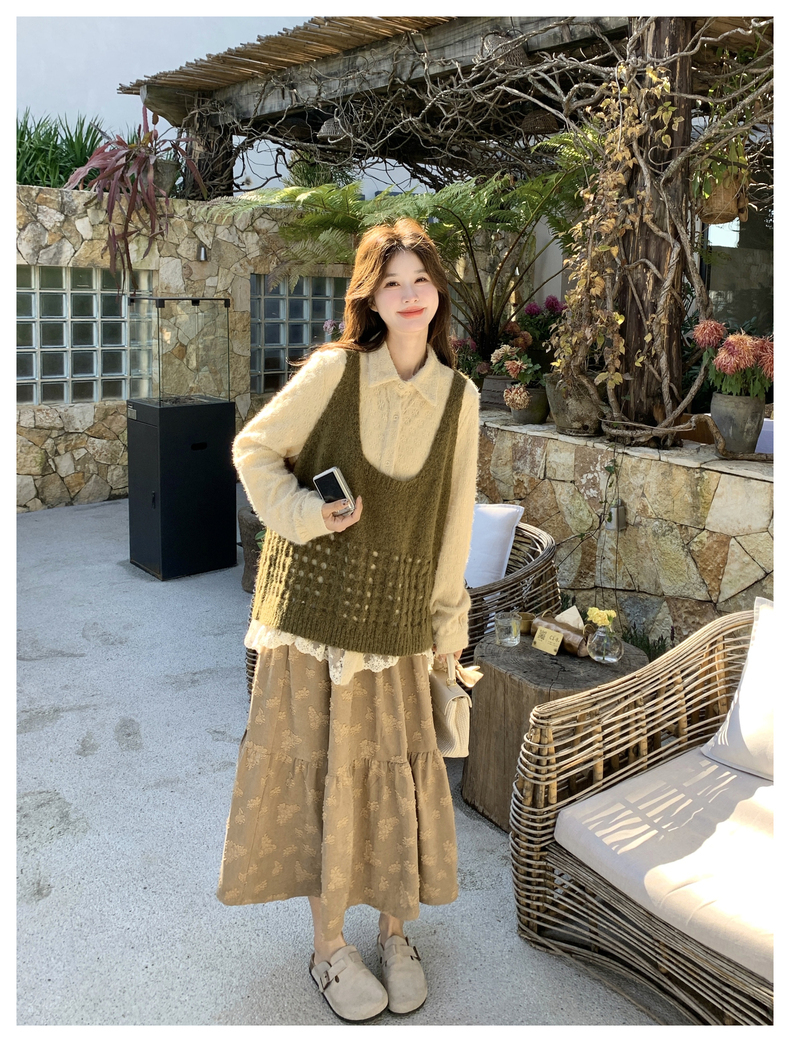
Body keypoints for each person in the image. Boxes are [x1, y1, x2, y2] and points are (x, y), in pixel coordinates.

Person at [217, 217, 480, 1022]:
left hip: (396, 627)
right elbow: (253, 450)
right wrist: (306, 513)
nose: (409, 295)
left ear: (438, 292)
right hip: (312, 621)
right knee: (321, 779)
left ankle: (395, 933)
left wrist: (447, 634)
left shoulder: (461, 398)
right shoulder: (334, 372)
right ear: (370, 295)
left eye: (421, 280)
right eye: (392, 282)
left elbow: (453, 524)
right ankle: (329, 947)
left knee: (393, 781)